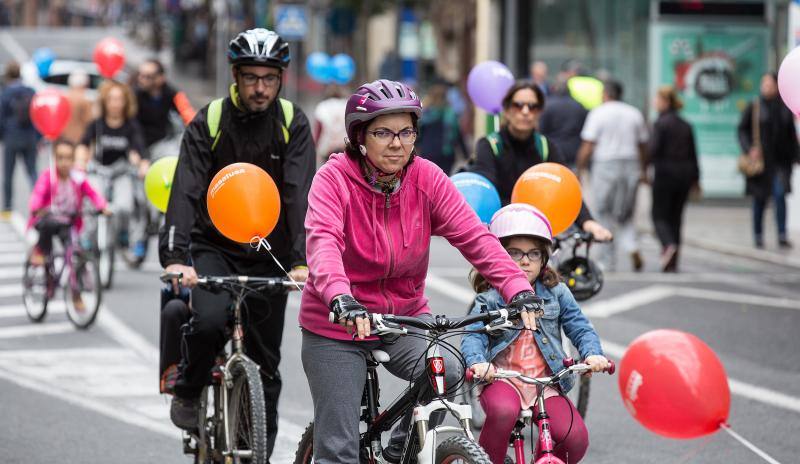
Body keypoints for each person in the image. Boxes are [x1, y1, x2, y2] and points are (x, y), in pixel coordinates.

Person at [300, 79, 544, 464]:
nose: (397, 143)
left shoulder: (426, 178)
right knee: (339, 450)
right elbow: (323, 243)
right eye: (383, 133)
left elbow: (475, 237)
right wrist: (340, 298)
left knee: (448, 368)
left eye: (406, 132)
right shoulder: (333, 180)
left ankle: (402, 451)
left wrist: (519, 289)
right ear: (359, 137)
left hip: (404, 317)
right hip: (338, 324)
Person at [159, 28, 315, 460]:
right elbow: (186, 189)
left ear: (281, 78)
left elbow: (299, 194)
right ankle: (188, 390)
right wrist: (176, 257)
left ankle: (255, 451)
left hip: (270, 252)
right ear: (235, 76)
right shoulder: (210, 120)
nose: (260, 88)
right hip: (214, 246)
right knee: (209, 322)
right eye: (251, 78)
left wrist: (301, 260)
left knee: (266, 365)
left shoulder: (292, 122)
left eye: (269, 78)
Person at [461, 203, 609, 464]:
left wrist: (592, 354)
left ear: (544, 259)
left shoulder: (557, 292)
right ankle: (487, 461)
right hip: (503, 379)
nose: (525, 260)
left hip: (546, 383)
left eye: (534, 253)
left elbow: (580, 326)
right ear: (499, 256)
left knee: (575, 438)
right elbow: (473, 334)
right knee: (503, 412)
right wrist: (478, 363)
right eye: (515, 253)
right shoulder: (490, 297)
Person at [467, 80, 612, 241]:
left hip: (537, 232)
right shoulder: (489, 145)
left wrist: (588, 222)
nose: (525, 111)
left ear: (539, 112)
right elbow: (486, 192)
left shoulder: (546, 146)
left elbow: (566, 188)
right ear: (506, 111)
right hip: (500, 231)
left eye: (532, 106)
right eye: (518, 105)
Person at [27, 139, 110, 309]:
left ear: (73, 160)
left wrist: (102, 206)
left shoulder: (78, 178)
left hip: (68, 222)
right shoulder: (49, 177)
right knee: (47, 227)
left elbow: (92, 193)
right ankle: (40, 251)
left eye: (68, 158)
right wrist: (37, 208)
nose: (64, 162)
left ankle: (76, 293)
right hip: (48, 220)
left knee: (74, 253)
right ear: (54, 159)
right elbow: (37, 195)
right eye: (60, 158)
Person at [576, 79, 648, 272]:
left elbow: (588, 144)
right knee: (626, 212)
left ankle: (608, 260)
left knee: (603, 211)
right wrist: (643, 170)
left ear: (605, 94)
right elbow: (642, 145)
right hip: (631, 164)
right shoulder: (634, 113)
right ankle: (632, 246)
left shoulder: (598, 113)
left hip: (605, 164)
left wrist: (579, 169)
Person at [76, 80, 149, 265]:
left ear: (125, 102)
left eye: (119, 99)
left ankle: (123, 234)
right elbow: (83, 145)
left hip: (120, 172)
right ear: (105, 102)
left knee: (125, 206)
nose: (115, 104)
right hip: (98, 170)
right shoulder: (97, 124)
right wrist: (80, 162)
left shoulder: (131, 125)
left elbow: (139, 149)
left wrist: (142, 164)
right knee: (91, 204)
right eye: (111, 99)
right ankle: (87, 239)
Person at [737, 72, 799, 249]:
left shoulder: (784, 107)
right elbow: (742, 130)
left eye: (769, 84)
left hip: (781, 162)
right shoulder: (754, 106)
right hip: (761, 162)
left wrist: (796, 156)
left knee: (780, 195)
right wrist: (749, 148)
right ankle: (758, 235)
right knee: (760, 198)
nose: (766, 87)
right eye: (764, 83)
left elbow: (791, 135)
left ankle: (782, 234)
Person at [649, 85, 700, 271]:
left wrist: (644, 168)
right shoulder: (685, 124)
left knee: (658, 215)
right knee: (676, 218)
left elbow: (653, 150)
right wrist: (696, 179)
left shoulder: (660, 124)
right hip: (685, 176)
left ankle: (668, 245)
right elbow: (693, 154)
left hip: (665, 174)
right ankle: (673, 260)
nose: (654, 103)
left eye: (657, 99)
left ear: (665, 101)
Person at [0, 61, 39, 216]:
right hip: (29, 137)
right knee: (32, 172)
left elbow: (1, 117)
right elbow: (37, 115)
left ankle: (7, 207)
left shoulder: (5, 93)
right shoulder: (30, 91)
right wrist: (38, 137)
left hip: (11, 136)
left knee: (8, 174)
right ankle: (38, 204)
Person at [134, 58, 196, 153]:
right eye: (140, 75)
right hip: (136, 143)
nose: (141, 79)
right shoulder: (133, 95)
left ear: (161, 78)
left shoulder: (172, 94)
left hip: (160, 142)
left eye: (148, 77)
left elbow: (189, 115)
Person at [416, 80, 467, 174]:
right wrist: (465, 154)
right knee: (443, 179)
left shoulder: (425, 114)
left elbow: (418, 135)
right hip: (446, 154)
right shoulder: (450, 114)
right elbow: (458, 136)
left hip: (428, 153)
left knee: (428, 178)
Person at [538, 75, 588, 169]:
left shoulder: (547, 106)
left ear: (554, 88)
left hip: (552, 151)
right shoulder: (579, 106)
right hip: (574, 152)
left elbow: (541, 131)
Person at [312, 83, 348, 166]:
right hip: (344, 146)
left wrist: (314, 147)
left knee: (329, 170)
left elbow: (318, 130)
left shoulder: (322, 106)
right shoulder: (347, 105)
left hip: (328, 147)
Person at [61, 70, 96, 145]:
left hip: (64, 138)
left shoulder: (64, 99)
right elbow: (89, 121)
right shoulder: (85, 100)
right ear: (85, 84)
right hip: (79, 138)